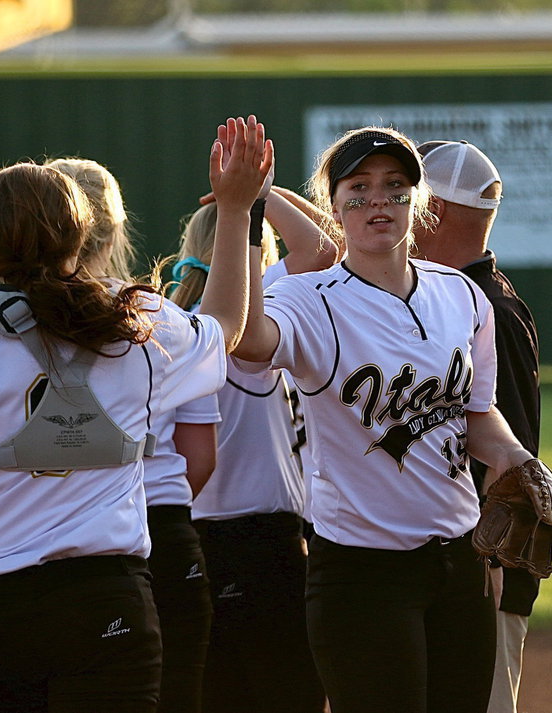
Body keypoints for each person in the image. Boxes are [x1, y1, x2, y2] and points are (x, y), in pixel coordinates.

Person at [0, 119, 272, 713]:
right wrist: (238, 211)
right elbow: (228, 328)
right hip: (110, 600)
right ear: (80, 235)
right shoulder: (139, 329)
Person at [227, 124, 537, 713]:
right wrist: (247, 214)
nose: (379, 201)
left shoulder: (462, 296)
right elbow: (246, 340)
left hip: (459, 564)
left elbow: (477, 413)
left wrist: (513, 457)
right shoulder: (310, 299)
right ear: (334, 206)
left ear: (417, 204)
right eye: (359, 187)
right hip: (362, 573)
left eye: (396, 187)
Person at [46, 156, 218, 713]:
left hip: (48, 538)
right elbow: (199, 460)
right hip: (159, 532)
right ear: (117, 230)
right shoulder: (159, 318)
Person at [169, 134, 333, 713]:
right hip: (260, 542)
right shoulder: (242, 330)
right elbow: (324, 250)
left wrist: (245, 201)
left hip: (188, 535)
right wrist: (259, 197)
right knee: (285, 692)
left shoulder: (175, 328)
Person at [413, 140, 541, 713]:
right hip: (452, 569)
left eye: (406, 197)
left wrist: (489, 562)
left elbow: (510, 457)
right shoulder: (454, 297)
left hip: (483, 571)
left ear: (432, 212)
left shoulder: (488, 307)